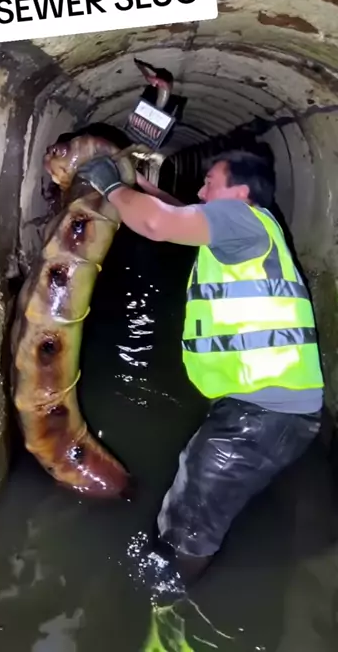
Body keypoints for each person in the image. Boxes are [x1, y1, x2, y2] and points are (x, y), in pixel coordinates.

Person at [76, 148, 324, 593]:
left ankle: (167, 610)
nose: (201, 190)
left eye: (210, 182)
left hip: (262, 413)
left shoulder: (238, 218)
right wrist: (140, 187)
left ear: (240, 192)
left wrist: (110, 186)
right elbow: (179, 211)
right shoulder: (252, 225)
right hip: (270, 407)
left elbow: (157, 224)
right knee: (193, 498)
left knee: (190, 521)